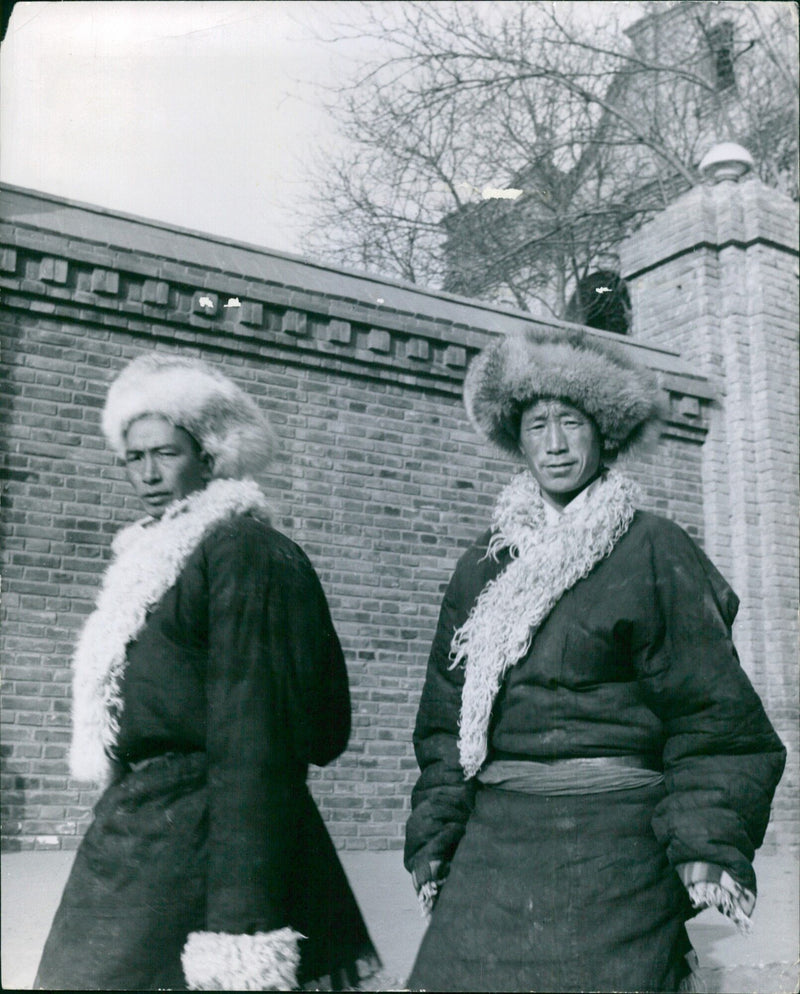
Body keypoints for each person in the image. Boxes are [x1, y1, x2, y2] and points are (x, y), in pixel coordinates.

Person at [404, 328, 786, 993]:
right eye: (537, 425)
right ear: (516, 442)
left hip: (617, 844)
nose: (554, 443)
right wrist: (436, 836)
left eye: (571, 423)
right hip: (497, 841)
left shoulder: (654, 551)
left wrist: (706, 842)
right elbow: (445, 721)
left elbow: (715, 722)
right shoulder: (483, 566)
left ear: (604, 434)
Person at [35, 354, 380, 991]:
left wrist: (241, 917)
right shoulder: (151, 558)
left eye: (165, 453)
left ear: (210, 453)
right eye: (133, 457)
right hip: (140, 822)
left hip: (208, 828)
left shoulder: (241, 550)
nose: (148, 473)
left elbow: (259, 734)